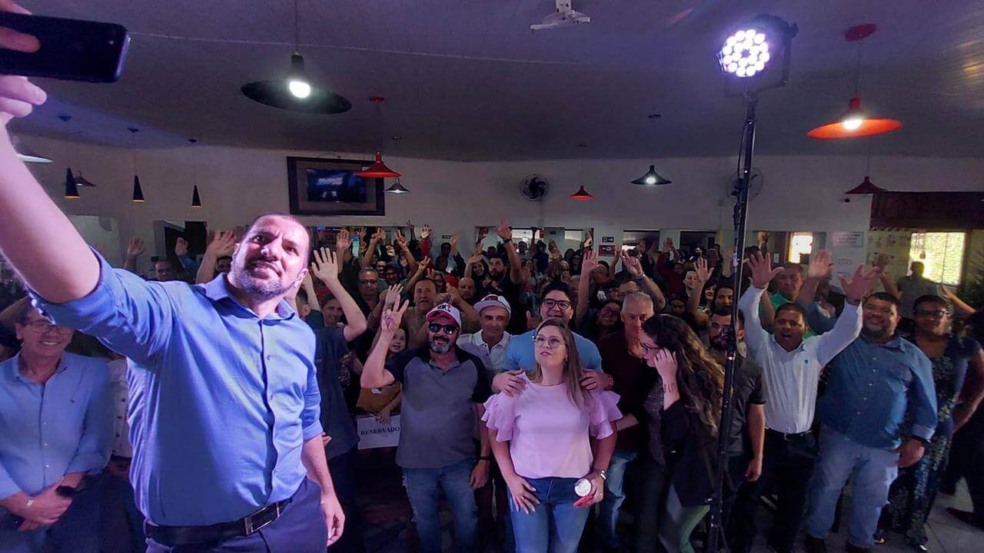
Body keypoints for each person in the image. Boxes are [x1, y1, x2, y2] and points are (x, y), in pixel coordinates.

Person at [0, 24, 343, 550]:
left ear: (301, 277)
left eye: (290, 248)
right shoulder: (174, 313)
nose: (272, 247)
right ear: (238, 250)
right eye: (262, 237)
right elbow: (81, 289)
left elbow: (304, 418)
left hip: (293, 518)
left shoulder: (297, 334)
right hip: (200, 540)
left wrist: (325, 489)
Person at [737, 251, 873, 553]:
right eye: (782, 321)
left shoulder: (817, 349)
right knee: (750, 496)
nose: (786, 327)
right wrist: (757, 288)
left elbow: (848, 331)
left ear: (804, 327)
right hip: (765, 441)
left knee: (794, 500)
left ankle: (782, 544)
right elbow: (748, 311)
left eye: (793, 323)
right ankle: (741, 545)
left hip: (801, 443)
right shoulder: (762, 348)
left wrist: (853, 303)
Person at [804, 292, 938, 553]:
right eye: (871, 308)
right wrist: (815, 280)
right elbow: (810, 314)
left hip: (885, 442)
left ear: (897, 318)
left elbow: (927, 403)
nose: (876, 314)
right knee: (825, 489)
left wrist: (919, 440)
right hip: (838, 433)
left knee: (873, 499)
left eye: (885, 310)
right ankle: (815, 535)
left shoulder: (913, 356)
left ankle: (859, 543)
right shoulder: (844, 339)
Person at [361, 302, 491, 553]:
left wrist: (484, 459)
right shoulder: (409, 359)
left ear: (458, 332)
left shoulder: (473, 365)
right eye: (435, 327)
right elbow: (369, 380)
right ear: (427, 329)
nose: (441, 333)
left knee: (467, 520)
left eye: (448, 328)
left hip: (460, 461)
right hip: (416, 464)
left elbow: (485, 417)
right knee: (425, 522)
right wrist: (387, 334)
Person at [482, 319, 620, 553]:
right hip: (528, 486)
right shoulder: (517, 388)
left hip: (575, 485)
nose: (545, 345)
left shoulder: (584, 388)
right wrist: (510, 479)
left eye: (554, 340)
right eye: (540, 340)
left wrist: (599, 474)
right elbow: (495, 432)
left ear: (568, 350)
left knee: (565, 550)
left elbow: (607, 431)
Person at [0, 302, 113, 553]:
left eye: (62, 324)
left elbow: (97, 439)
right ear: (19, 330)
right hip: (7, 512)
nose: (53, 332)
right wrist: (22, 505)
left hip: (76, 506)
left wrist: (58, 498)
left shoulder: (93, 372)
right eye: (42, 323)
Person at [879, 295, 984, 550]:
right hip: (900, 421)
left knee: (928, 478)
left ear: (948, 316)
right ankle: (882, 522)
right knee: (891, 474)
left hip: (941, 424)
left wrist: (968, 409)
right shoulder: (901, 342)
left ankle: (914, 529)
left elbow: (982, 379)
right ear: (914, 316)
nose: (930, 318)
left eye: (937, 313)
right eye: (924, 312)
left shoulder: (965, 346)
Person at [636, 315, 724, 553]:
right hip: (661, 459)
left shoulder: (700, 380)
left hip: (692, 468)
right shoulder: (652, 371)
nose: (642, 353)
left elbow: (681, 433)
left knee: (673, 534)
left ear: (669, 352)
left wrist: (669, 381)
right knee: (648, 520)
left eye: (647, 348)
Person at [309, 247, 370, 553]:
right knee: (306, 525)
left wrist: (332, 280)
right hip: (292, 455)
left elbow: (359, 326)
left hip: (336, 447)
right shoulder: (263, 345)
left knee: (344, 520)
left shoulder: (319, 339)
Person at [596, 292, 656, 552]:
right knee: (613, 496)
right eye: (632, 317)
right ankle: (608, 543)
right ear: (621, 317)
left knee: (646, 499)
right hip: (617, 437)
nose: (638, 323)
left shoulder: (662, 347)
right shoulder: (606, 346)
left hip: (652, 438)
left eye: (644, 317)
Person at [493, 282, 609, 396]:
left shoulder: (588, 348)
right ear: (540, 308)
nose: (555, 308)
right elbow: (499, 383)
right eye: (549, 303)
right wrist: (498, 381)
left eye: (562, 304)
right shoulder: (517, 344)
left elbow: (602, 386)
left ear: (571, 312)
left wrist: (605, 381)